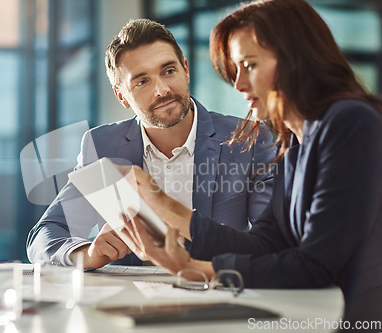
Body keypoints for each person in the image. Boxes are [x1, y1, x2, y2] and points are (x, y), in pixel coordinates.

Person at [120, 0, 382, 327]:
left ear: (295, 60)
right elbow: (266, 244)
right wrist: (161, 204)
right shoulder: (294, 138)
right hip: (310, 316)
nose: (240, 85)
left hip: (353, 320)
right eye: (236, 69)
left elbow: (315, 264)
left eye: (250, 65)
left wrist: (198, 269)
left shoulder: (350, 122)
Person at [26, 18, 276, 270]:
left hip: (218, 290)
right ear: (122, 96)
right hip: (134, 300)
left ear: (186, 70)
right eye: (142, 81)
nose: (162, 90)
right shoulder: (102, 146)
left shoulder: (248, 138)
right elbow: (45, 234)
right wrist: (86, 253)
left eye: (168, 71)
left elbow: (271, 243)